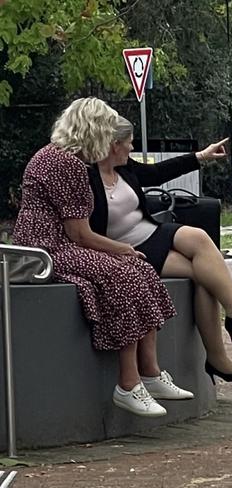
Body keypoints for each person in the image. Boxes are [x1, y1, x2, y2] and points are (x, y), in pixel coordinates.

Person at [12, 97, 193, 418]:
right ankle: (128, 383)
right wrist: (120, 248)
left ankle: (150, 373)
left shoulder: (65, 159)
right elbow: (78, 234)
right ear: (94, 130)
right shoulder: (63, 163)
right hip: (45, 248)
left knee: (141, 268)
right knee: (122, 273)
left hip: (57, 243)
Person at [86, 115, 232, 384]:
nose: (132, 148)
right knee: (202, 278)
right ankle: (218, 357)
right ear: (113, 145)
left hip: (152, 231)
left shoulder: (124, 169)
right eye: (129, 144)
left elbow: (158, 173)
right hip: (127, 248)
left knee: (199, 238)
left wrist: (200, 157)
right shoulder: (85, 177)